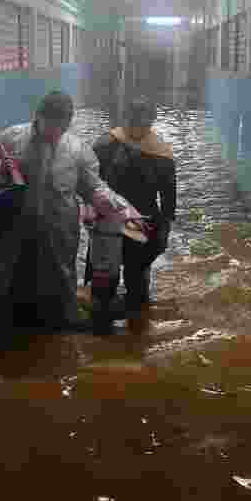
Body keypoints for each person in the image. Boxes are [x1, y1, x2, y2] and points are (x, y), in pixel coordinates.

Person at [0, 91, 147, 334]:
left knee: (60, 276)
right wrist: (0, 168)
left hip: (59, 230)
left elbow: (93, 187)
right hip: (13, 228)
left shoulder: (77, 149)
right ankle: (3, 322)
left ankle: (63, 319)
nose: (54, 133)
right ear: (38, 117)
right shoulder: (11, 139)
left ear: (69, 123)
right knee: (8, 277)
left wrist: (116, 207)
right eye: (50, 126)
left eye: (61, 127)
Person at [85, 97, 177, 332]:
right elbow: (89, 183)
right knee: (107, 281)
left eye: (142, 122)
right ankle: (115, 330)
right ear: (126, 120)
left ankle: (129, 332)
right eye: (134, 121)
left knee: (135, 280)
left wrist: (163, 231)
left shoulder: (161, 155)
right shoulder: (106, 145)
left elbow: (168, 200)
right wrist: (89, 210)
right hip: (112, 220)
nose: (137, 127)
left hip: (135, 221)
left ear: (151, 122)